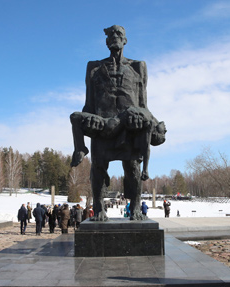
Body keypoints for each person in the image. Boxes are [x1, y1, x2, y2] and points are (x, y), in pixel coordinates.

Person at [70, 25, 166, 221]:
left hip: (129, 129)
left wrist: (154, 125)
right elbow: (89, 103)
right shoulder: (94, 67)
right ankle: (98, 208)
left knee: (132, 168)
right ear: (106, 42)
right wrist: (88, 120)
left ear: (125, 40)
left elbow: (143, 104)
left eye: (119, 34)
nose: (115, 37)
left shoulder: (138, 66)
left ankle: (136, 207)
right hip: (103, 126)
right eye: (111, 35)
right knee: (98, 166)